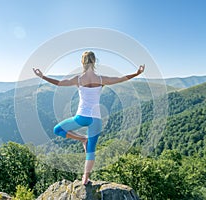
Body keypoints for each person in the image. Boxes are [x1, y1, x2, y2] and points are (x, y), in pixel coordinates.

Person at [33, 51, 145, 185]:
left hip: (82, 117)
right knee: (91, 151)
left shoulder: (78, 79)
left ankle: (82, 139)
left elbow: (58, 83)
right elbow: (121, 79)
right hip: (96, 119)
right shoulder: (102, 79)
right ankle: (85, 178)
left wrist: (42, 76)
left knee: (58, 130)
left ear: (82, 62)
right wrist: (137, 73)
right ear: (95, 61)